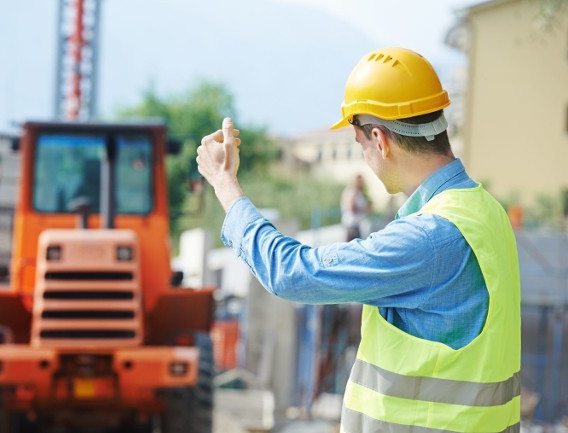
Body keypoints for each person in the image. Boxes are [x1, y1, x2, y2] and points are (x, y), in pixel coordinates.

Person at [196, 47, 521, 432]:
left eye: (359, 142)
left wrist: (226, 186)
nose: (365, 155)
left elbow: (292, 273)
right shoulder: (486, 212)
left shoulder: (429, 237)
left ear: (380, 139)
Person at [340, 174, 371, 241]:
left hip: (356, 226)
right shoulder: (352, 191)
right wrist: (365, 209)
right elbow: (352, 208)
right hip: (352, 226)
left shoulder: (358, 192)